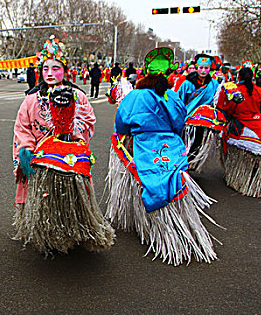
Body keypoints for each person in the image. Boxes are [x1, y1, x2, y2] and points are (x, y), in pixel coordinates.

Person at [104, 47, 220, 265]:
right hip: (171, 144)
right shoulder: (172, 95)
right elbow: (179, 122)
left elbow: (122, 123)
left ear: (144, 74)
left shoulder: (135, 96)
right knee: (175, 179)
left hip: (142, 143)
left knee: (144, 180)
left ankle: (148, 225)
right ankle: (177, 226)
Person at [13, 35, 113, 254]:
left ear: (65, 71)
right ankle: (45, 231)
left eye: (55, 68)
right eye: (45, 69)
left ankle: (76, 229)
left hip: (70, 156)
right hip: (41, 156)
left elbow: (88, 121)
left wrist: (72, 136)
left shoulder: (78, 96)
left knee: (72, 195)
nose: (50, 73)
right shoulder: (30, 99)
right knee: (45, 196)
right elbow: (22, 127)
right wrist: (26, 149)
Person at [217, 67, 261, 200]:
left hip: (241, 123)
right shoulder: (259, 91)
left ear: (239, 77)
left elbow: (226, 110)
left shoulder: (233, 91)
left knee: (224, 135)